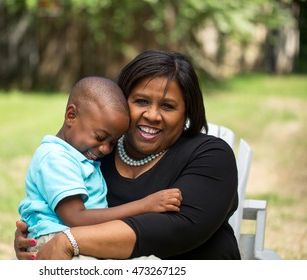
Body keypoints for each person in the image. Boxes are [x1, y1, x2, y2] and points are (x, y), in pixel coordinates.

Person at [14, 50, 240, 260]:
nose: (152, 115)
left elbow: (177, 228)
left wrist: (70, 241)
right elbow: (49, 206)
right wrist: (33, 237)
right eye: (141, 101)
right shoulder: (93, 154)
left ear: (187, 112)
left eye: (168, 106)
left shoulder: (210, 155)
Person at [17, 76, 183, 257]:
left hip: (76, 238)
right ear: (71, 116)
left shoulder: (78, 156)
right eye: (100, 137)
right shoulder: (56, 158)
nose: (105, 149)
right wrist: (145, 205)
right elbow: (76, 218)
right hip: (55, 243)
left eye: (112, 142)